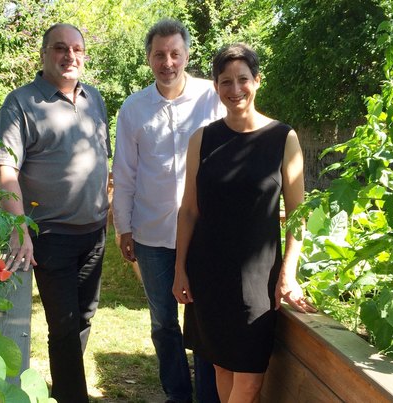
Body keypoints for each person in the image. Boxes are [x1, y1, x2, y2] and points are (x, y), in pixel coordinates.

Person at [172, 43, 318, 403]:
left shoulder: (284, 139)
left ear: (257, 81)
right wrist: (180, 270)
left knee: (250, 380)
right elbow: (189, 210)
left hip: (258, 279)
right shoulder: (202, 140)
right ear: (216, 87)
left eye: (242, 79)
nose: (235, 90)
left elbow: (298, 216)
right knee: (222, 367)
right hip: (209, 273)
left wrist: (289, 273)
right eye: (225, 82)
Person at [0, 23, 110, 403]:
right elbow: (6, 172)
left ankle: (64, 387)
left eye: (76, 49)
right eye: (60, 48)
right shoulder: (20, 104)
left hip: (94, 231)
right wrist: (19, 228)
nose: (69, 56)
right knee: (63, 325)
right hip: (51, 235)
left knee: (84, 317)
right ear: (44, 53)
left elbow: (99, 158)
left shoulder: (94, 99)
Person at [112, 19, 224, 403]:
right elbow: (124, 173)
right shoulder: (133, 108)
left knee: (206, 319)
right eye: (159, 54)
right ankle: (178, 393)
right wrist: (123, 228)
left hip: (206, 233)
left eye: (175, 53)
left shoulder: (214, 97)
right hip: (152, 235)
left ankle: (208, 394)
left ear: (187, 55)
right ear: (148, 59)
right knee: (163, 321)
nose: (168, 62)